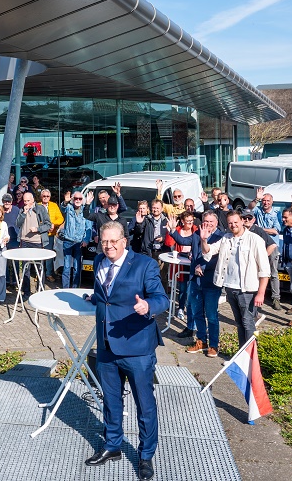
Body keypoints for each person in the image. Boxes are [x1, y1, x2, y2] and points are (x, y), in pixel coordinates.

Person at [83, 222, 168, 480]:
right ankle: (112, 446)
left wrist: (148, 306)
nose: (107, 246)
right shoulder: (99, 261)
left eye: (112, 242)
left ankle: (145, 456)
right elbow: (105, 294)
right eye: (104, 242)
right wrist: (94, 299)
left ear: (124, 241)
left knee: (144, 405)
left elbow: (161, 299)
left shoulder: (144, 265)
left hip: (137, 348)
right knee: (110, 400)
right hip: (107, 345)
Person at [205, 209, 270, 347]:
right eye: (230, 223)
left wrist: (261, 293)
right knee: (239, 323)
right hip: (230, 287)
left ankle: (252, 358)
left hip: (247, 290)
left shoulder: (255, 239)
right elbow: (209, 251)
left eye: (236, 222)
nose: (233, 225)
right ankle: (241, 356)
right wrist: (203, 239)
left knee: (248, 323)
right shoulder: (226, 238)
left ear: (242, 221)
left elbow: (265, 270)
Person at [182, 210, 225, 357]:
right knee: (197, 313)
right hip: (196, 280)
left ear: (216, 223)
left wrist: (204, 267)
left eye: (211, 222)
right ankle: (201, 340)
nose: (207, 224)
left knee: (212, 315)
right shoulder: (196, 234)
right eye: (205, 221)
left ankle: (213, 345)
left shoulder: (221, 237)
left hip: (211, 281)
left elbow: (218, 258)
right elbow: (193, 253)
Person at [15, 192, 51, 298]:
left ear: (33, 200)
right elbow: (17, 223)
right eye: (24, 201)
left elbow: (48, 224)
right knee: (26, 267)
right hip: (25, 241)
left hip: (38, 242)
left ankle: (40, 290)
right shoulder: (22, 209)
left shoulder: (41, 209)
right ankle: (26, 291)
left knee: (39, 267)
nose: (26, 203)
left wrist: (38, 229)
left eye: (28, 201)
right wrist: (24, 213)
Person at [241, 212, 280, 310]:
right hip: (251, 259)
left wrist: (263, 257)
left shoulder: (258, 230)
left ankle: (276, 299)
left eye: (249, 218)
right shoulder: (240, 231)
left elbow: (273, 245)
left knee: (272, 274)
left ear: (253, 220)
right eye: (244, 218)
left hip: (269, 254)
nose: (246, 220)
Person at [60, 191, 92, 288]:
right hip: (68, 241)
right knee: (66, 267)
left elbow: (88, 227)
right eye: (76, 198)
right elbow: (63, 208)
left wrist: (86, 240)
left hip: (79, 243)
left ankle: (75, 289)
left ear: (82, 201)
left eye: (80, 198)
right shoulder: (69, 208)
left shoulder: (85, 211)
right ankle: (65, 289)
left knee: (77, 268)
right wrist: (65, 202)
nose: (77, 200)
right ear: (72, 199)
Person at [40, 189, 64, 283]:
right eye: (44, 196)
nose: (45, 197)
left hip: (50, 235)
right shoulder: (37, 205)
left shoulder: (54, 205)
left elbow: (61, 218)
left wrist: (53, 224)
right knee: (40, 255)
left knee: (49, 255)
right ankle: (40, 273)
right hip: (39, 234)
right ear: (41, 197)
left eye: (47, 196)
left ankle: (48, 273)